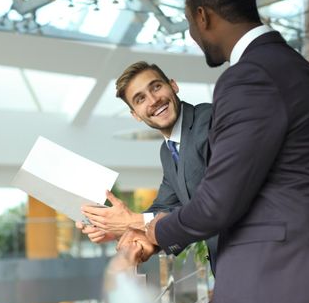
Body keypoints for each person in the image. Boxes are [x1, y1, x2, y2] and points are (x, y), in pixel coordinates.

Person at [118, 0, 309, 303]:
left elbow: (216, 202)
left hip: (282, 279)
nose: (193, 34)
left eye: (190, 22)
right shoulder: (293, 65)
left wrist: (153, 232)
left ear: (203, 16)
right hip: (292, 272)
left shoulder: (248, 78)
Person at [76, 61, 218, 273]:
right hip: (227, 266)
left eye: (156, 87)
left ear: (173, 86)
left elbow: (214, 200)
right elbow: (165, 206)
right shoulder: (168, 150)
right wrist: (116, 228)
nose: (153, 100)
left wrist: (134, 221)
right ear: (135, 115)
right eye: (140, 99)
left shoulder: (208, 121)